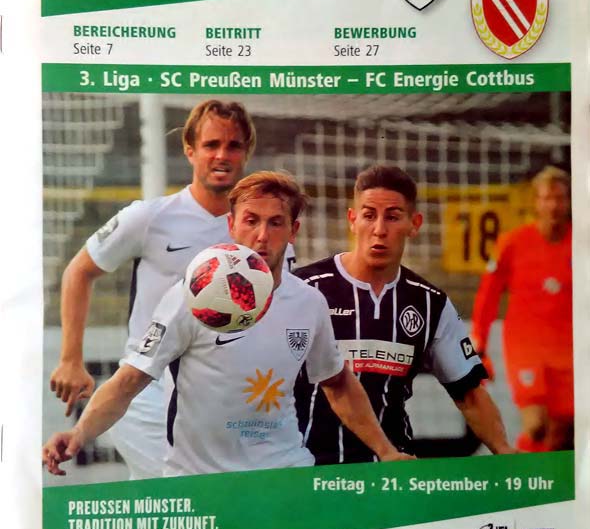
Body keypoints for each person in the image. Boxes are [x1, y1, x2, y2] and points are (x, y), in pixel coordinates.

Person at [43, 172, 409, 477]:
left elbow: (338, 382)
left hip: (283, 471)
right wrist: (79, 433)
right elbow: (129, 380)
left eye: (275, 222)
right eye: (251, 220)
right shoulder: (191, 296)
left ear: (293, 230)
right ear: (231, 225)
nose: (262, 235)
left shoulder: (309, 303)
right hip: (200, 481)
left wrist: (386, 452)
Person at [49, 99, 292, 480]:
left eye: (233, 145)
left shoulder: (266, 235)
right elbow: (78, 271)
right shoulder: (148, 217)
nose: (222, 155)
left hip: (223, 404)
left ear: (247, 152)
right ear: (189, 149)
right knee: (192, 495)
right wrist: (70, 359)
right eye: (211, 145)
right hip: (148, 394)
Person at [294, 165, 515, 464]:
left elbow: (469, 394)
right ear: (352, 220)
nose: (379, 229)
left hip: (392, 471)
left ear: (414, 224)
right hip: (307, 471)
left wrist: (505, 452)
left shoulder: (429, 303)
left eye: (393, 217)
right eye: (369, 215)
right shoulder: (305, 288)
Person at [471, 166, 573, 452]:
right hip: (526, 348)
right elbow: (488, 295)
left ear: (568, 202)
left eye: (560, 198)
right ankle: (519, 471)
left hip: (568, 350)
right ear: (536, 203)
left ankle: (540, 476)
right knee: (536, 425)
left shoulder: (580, 243)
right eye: (547, 198)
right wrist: (479, 342)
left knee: (560, 434)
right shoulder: (513, 243)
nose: (554, 205)